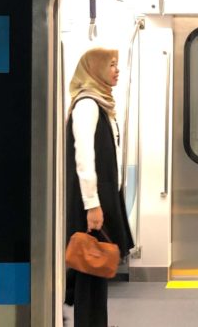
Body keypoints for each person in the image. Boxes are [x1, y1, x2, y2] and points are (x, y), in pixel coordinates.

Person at [64, 48, 134, 327]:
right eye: (112, 65)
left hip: (101, 196)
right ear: (94, 69)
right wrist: (92, 203)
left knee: (96, 265)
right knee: (89, 265)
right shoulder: (88, 104)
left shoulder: (100, 103)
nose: (117, 70)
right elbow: (84, 155)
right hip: (91, 200)